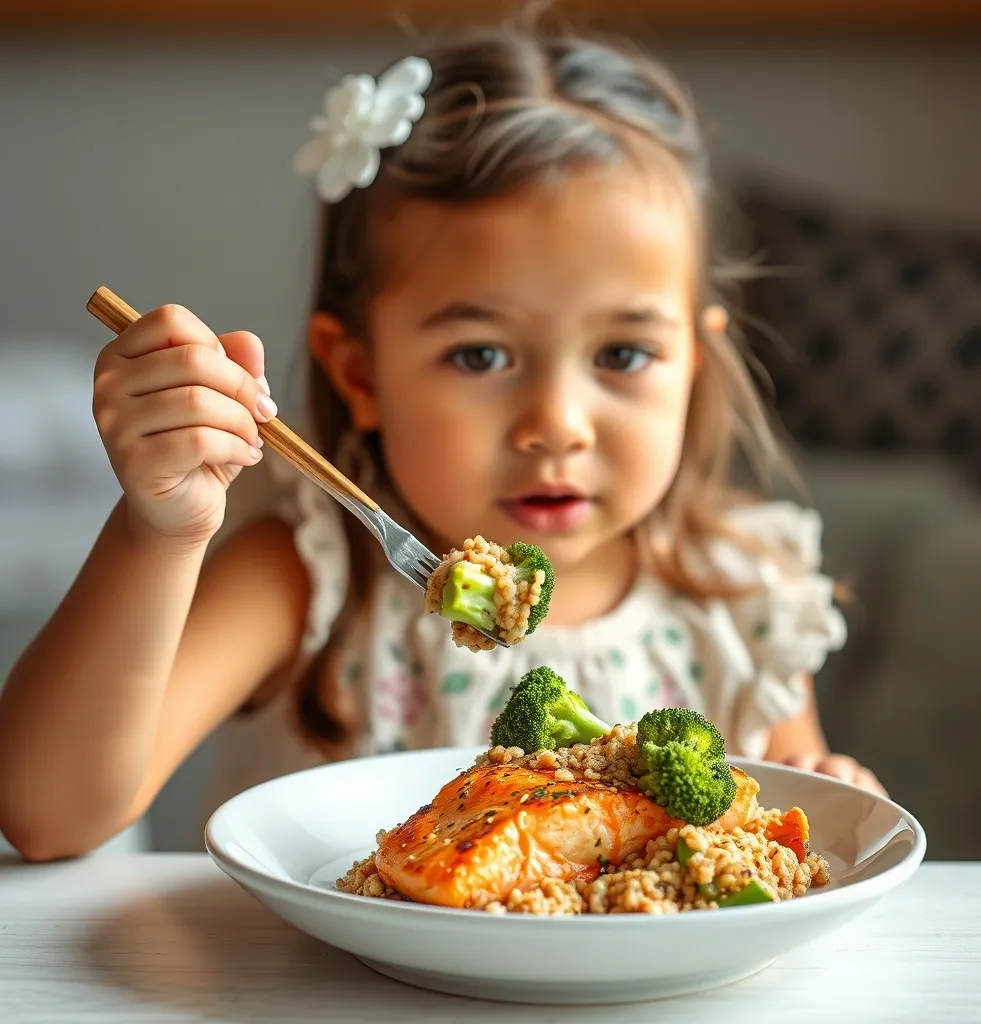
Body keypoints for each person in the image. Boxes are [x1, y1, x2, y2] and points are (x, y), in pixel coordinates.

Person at [0, 20, 882, 862]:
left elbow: (780, 831)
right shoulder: (310, 580)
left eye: (622, 353)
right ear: (360, 376)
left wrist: (834, 792)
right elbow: (50, 814)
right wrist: (161, 532)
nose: (556, 425)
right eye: (481, 354)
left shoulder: (744, 602)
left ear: (693, 362)